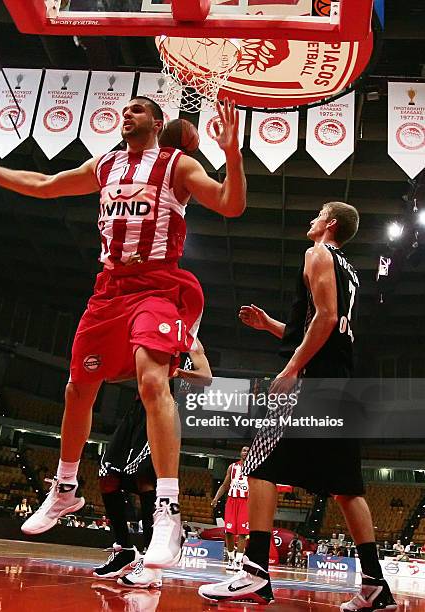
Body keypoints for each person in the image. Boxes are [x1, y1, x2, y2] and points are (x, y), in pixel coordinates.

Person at [0, 96, 245, 568]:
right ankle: (65, 488)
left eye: (137, 110)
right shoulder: (105, 164)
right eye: (124, 110)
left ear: (157, 121)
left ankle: (168, 513)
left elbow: (231, 204)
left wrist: (232, 153)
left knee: (153, 382)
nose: (126, 115)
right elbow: (46, 185)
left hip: (159, 286)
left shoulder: (177, 165)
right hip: (109, 290)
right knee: (77, 389)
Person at [199, 201, 397, 611]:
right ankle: (377, 588)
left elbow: (324, 318)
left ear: (332, 224)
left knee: (256, 463)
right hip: (340, 384)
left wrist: (289, 370)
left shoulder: (318, 252)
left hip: (310, 383)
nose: (312, 219)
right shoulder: (351, 271)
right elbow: (323, 327)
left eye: (318, 213)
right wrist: (273, 325)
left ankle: (254, 572)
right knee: (348, 488)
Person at [93, 341, 212, 587]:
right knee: (107, 476)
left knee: (145, 477)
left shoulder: (191, 342)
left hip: (167, 409)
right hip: (138, 409)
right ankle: (125, 549)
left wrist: (176, 372)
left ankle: (151, 562)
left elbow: (206, 378)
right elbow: (126, 371)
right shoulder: (151, 331)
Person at [211, 446, 250, 571]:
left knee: (243, 533)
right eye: (244, 450)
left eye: (248, 451)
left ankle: (239, 561)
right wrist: (216, 498)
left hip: (246, 502)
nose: (245, 453)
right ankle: (231, 558)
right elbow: (224, 485)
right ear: (240, 452)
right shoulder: (232, 467)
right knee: (229, 531)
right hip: (232, 501)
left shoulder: (254, 468)